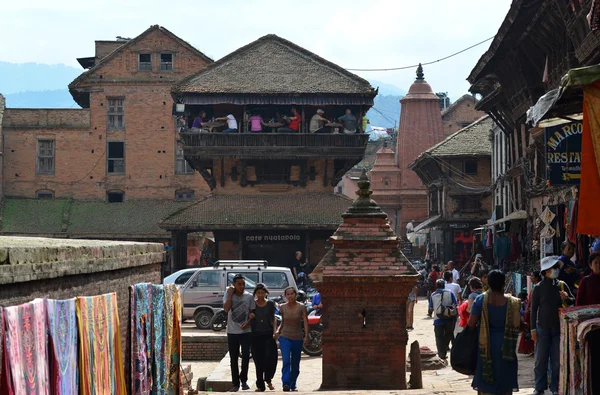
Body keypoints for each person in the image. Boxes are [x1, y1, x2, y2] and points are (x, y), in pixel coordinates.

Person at [468, 270, 522, 395]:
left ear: (488, 283)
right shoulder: (513, 302)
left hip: (485, 345)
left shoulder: (481, 300)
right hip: (506, 346)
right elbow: (519, 324)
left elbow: (471, 323)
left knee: (486, 383)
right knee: (505, 379)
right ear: (504, 284)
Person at [531, 256, 575, 395]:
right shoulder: (538, 288)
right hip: (542, 328)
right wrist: (533, 329)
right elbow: (533, 309)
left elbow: (572, 302)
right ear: (545, 271)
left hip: (558, 328)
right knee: (540, 360)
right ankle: (539, 387)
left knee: (557, 361)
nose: (556, 270)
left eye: (556, 267)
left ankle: (556, 387)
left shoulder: (562, 285)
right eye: (553, 267)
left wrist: (567, 297)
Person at [223, 274, 255, 392]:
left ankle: (244, 381)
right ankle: (235, 383)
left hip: (246, 331)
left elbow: (252, 313)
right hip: (232, 331)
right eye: (239, 284)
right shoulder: (228, 294)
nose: (242, 286)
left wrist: (248, 322)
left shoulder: (249, 297)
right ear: (234, 285)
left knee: (246, 356)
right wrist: (230, 294)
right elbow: (226, 309)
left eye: (243, 284)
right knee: (233, 358)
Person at [275, 286, 309, 392]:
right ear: (285, 296)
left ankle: (292, 383)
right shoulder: (282, 307)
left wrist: (306, 336)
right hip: (285, 337)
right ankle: (285, 383)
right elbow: (282, 322)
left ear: (296, 295)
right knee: (286, 360)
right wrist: (277, 330)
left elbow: (305, 322)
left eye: (292, 294)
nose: (290, 296)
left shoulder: (301, 307)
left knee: (295, 362)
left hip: (297, 337)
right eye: (288, 294)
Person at [249, 283, 278, 392]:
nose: (260, 295)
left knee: (271, 359)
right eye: (258, 293)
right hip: (256, 336)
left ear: (266, 293)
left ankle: (268, 379)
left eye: (262, 293)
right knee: (258, 361)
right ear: (255, 293)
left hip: (268, 335)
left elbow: (274, 318)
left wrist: (275, 331)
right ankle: (260, 385)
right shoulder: (252, 304)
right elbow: (248, 315)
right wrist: (249, 315)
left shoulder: (270, 304)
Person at [429, 279, 457, 360]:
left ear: (436, 286)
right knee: (447, 336)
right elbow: (455, 304)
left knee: (439, 337)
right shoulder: (450, 293)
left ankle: (441, 353)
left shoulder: (433, 295)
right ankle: (444, 351)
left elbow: (431, 308)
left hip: (437, 320)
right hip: (449, 319)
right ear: (444, 285)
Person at [518, 271, 542, 355]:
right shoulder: (535, 287)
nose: (531, 278)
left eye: (532, 276)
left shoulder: (538, 287)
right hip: (530, 311)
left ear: (536, 278)